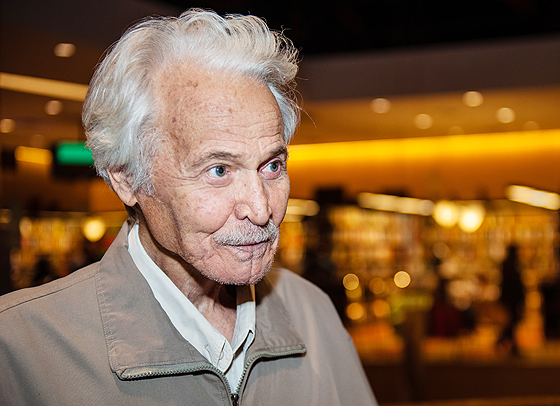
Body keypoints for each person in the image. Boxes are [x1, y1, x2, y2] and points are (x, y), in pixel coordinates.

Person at [0, 9, 377, 405]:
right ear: (127, 178)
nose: (261, 208)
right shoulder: (22, 348)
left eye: (271, 165)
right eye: (218, 170)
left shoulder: (312, 315)